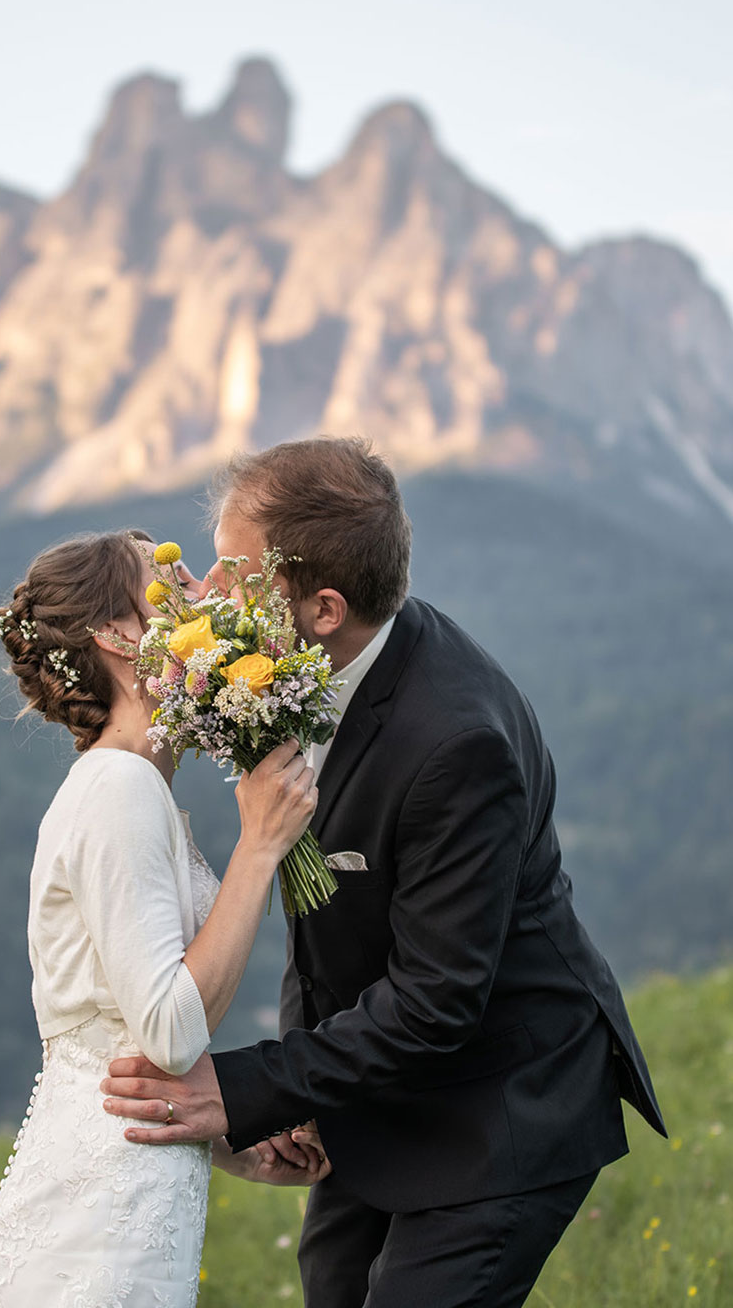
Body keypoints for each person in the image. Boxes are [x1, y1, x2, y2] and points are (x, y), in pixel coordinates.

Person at [100, 440, 668, 1308]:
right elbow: (324, 916)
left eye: (234, 569)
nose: (207, 591)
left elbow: (440, 1000)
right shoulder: (288, 669)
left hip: (497, 1104)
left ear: (324, 607)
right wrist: (303, 1095)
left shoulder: (455, 746)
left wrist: (245, 1087)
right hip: (373, 1092)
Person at [0, 529, 330, 1308]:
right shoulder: (118, 790)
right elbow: (169, 1030)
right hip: (101, 1214)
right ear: (120, 637)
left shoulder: (134, 788)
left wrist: (224, 1135)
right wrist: (261, 846)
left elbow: (128, 1031)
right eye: (171, 584)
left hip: (127, 1175)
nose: (205, 591)